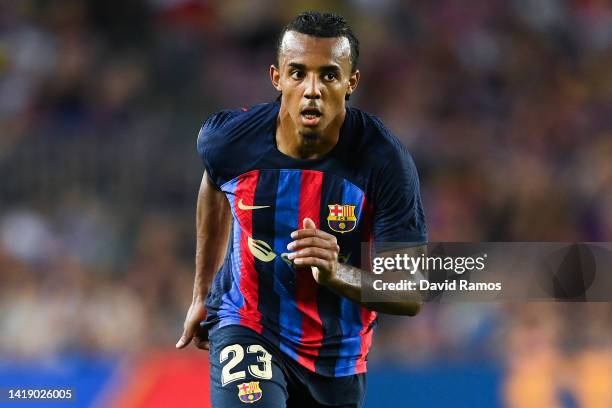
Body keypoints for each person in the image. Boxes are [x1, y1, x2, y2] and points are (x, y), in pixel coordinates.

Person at [176, 11, 427, 408]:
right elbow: (213, 179)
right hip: (247, 323)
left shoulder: (384, 161)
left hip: (336, 357)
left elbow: (409, 292)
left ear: (351, 83)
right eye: (298, 73)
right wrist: (202, 292)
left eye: (328, 75)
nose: (312, 89)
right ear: (277, 78)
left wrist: (335, 273)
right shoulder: (230, 141)